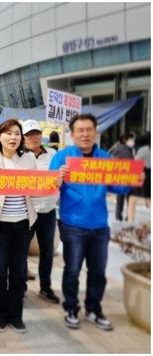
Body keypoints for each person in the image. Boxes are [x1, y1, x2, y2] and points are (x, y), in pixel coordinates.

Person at [50, 113, 132, 331]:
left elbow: (118, 188)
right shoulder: (62, 158)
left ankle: (94, 309)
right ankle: (71, 308)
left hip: (99, 226)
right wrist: (57, 177)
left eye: (89, 129)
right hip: (72, 224)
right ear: (72, 134)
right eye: (80, 130)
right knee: (73, 270)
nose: (85, 134)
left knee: (97, 271)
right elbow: (49, 187)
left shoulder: (106, 158)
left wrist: (130, 178)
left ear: (96, 132)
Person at [0, 119, 45, 334]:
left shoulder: (29, 159)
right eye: (8, 133)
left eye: (17, 133)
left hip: (22, 224)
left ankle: (16, 316)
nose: (13, 137)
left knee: (18, 272)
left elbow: (34, 189)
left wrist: (50, 184)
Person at [22, 120, 60, 304]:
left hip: (47, 210)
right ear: (23, 138)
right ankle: (20, 286)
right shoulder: (19, 156)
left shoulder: (54, 155)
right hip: (26, 210)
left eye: (36, 133)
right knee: (21, 251)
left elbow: (61, 176)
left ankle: (45, 287)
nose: (33, 137)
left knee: (47, 251)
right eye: (29, 134)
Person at [109, 132, 135, 221]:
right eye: (131, 139)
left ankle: (121, 216)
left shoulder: (125, 148)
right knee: (126, 197)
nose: (132, 141)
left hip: (125, 177)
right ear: (125, 140)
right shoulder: (123, 149)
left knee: (124, 197)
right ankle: (124, 216)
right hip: (124, 177)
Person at [127, 132, 151, 222]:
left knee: (132, 198)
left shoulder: (144, 149)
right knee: (148, 198)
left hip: (143, 174)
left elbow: (136, 162)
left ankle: (130, 220)